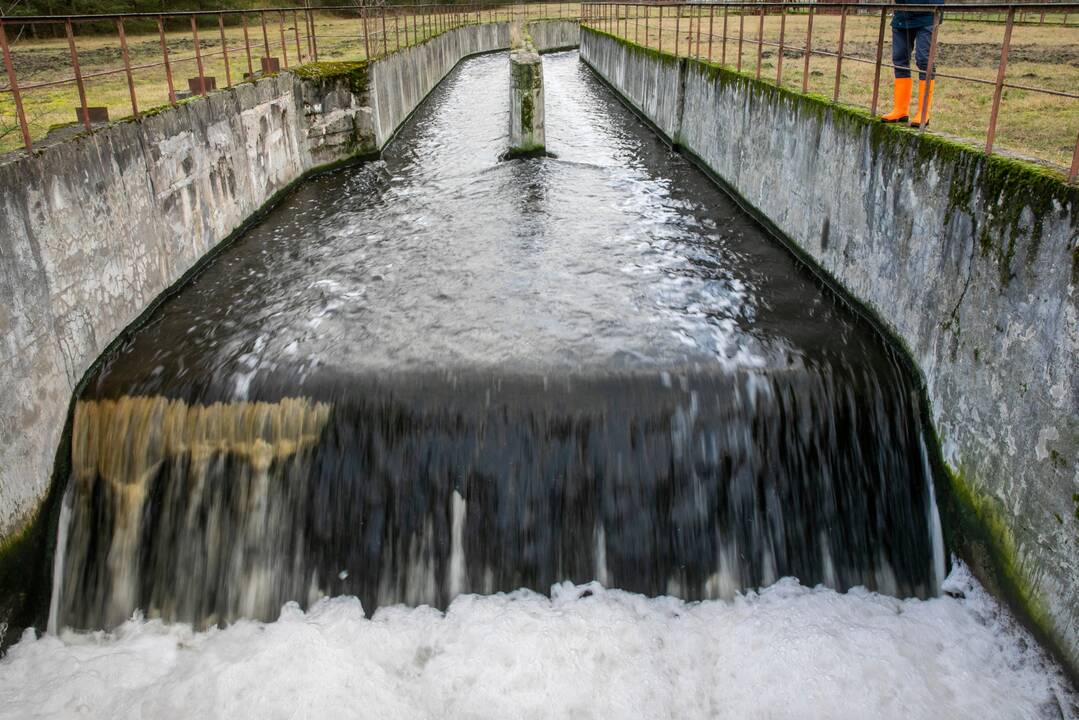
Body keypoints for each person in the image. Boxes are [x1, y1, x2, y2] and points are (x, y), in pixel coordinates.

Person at [879, 0, 943, 127]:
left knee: (924, 60)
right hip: (902, 13)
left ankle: (923, 113)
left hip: (928, 13)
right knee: (899, 60)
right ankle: (900, 110)